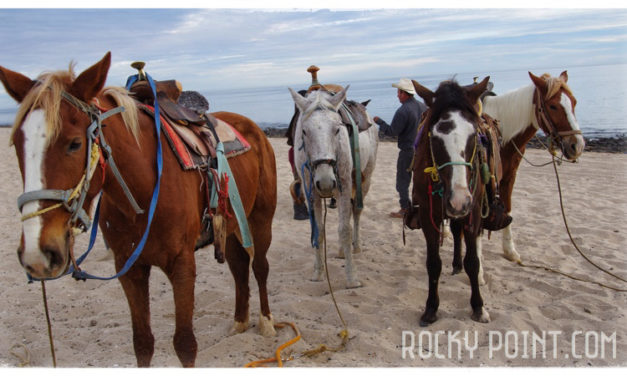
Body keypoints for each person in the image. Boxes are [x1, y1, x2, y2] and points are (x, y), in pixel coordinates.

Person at [373, 78, 427, 218]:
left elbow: (392, 132)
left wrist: (380, 122)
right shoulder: (423, 107)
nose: (397, 95)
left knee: (402, 182)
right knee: (420, 180)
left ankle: (405, 209)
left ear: (404, 93)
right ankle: (422, 206)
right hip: (422, 151)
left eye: (398, 92)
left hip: (408, 151)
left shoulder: (403, 111)